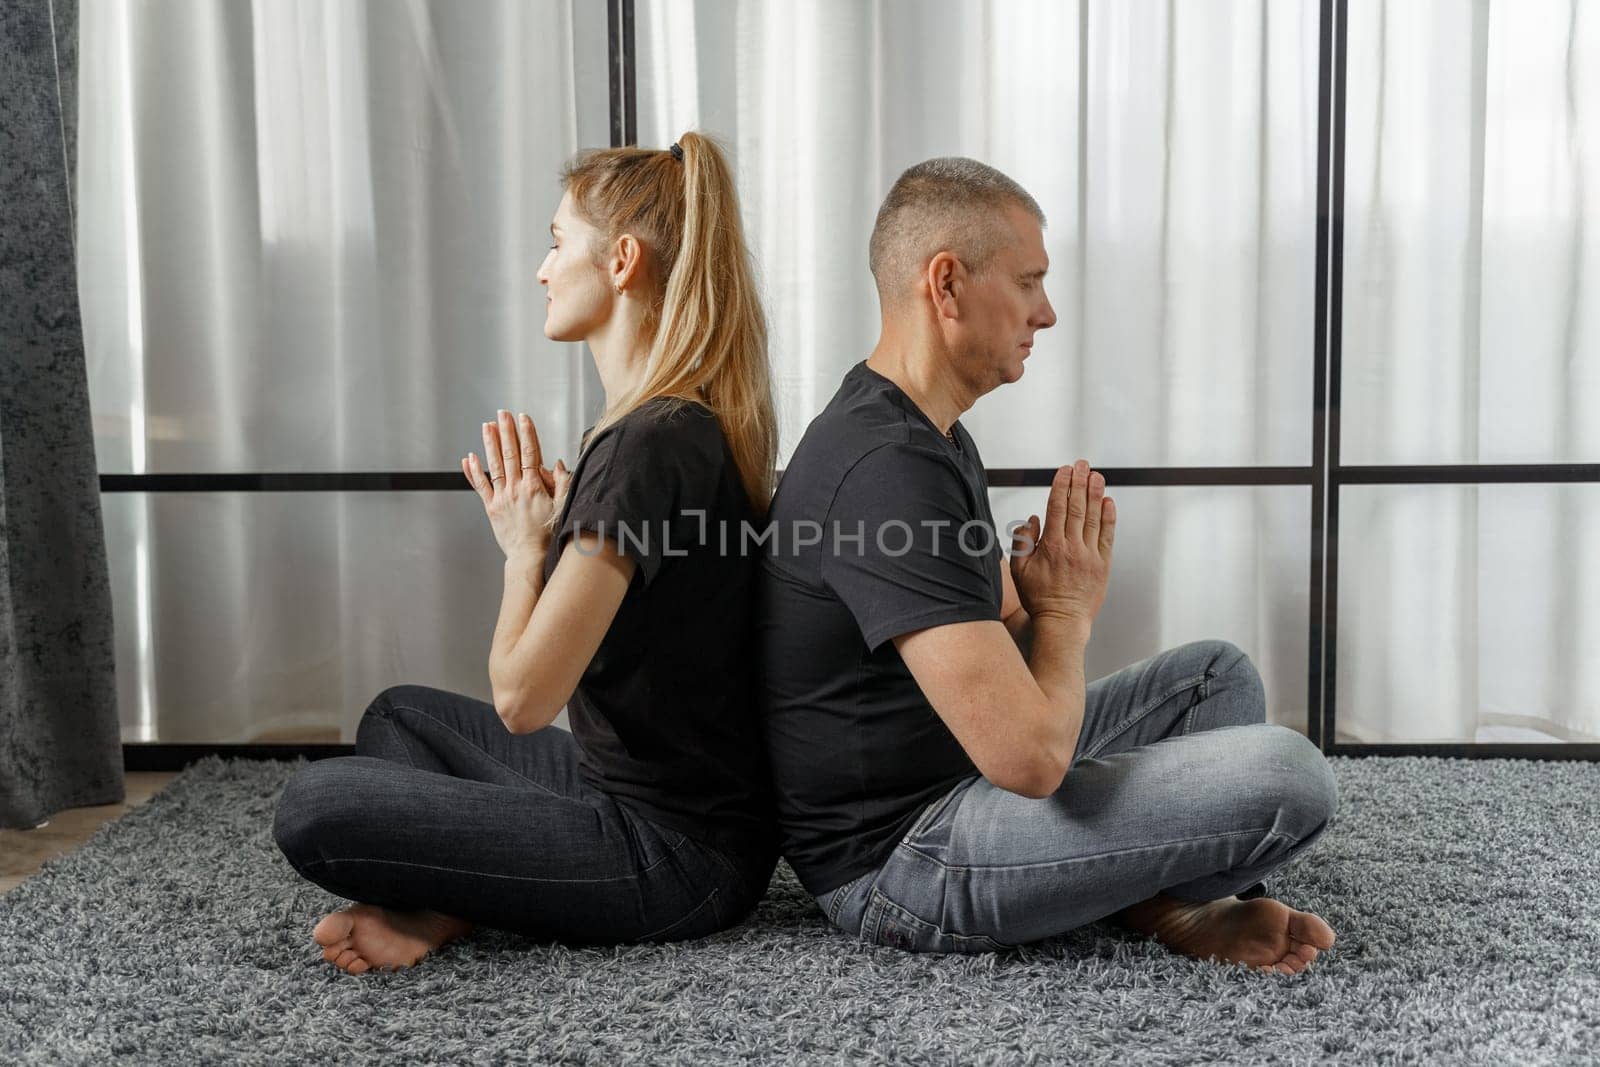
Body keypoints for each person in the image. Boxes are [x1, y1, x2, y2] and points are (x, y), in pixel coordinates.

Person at [757, 157, 1340, 974]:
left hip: (961, 771)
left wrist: (1040, 608)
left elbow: (1006, 632)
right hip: (899, 860)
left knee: (1217, 679)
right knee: (1292, 778)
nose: (1048, 312)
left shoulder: (932, 431)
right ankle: (1151, 894)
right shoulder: (885, 468)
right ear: (947, 284)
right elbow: (1028, 758)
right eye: (1028, 282)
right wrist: (1066, 616)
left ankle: (1145, 893)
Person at [273, 132, 780, 974]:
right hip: (631, 794)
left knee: (313, 806)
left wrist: (523, 549)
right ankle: (454, 890)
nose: (542, 270)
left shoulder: (649, 444)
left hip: (673, 857)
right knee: (401, 716)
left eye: (555, 243)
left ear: (621, 261)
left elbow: (521, 700)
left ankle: (445, 901)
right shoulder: (662, 424)